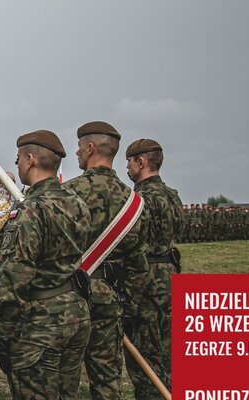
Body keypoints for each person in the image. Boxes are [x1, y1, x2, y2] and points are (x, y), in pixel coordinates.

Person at [0, 130, 92, 398]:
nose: (19, 165)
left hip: (40, 325)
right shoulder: (77, 202)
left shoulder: (31, 210)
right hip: (75, 315)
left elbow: (14, 277)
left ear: (30, 159)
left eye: (18, 160)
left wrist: (2, 331)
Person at [62, 121, 149, 400]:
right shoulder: (134, 201)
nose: (76, 153)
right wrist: (127, 306)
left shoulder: (67, 193)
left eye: (78, 147)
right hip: (110, 299)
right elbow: (138, 265)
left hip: (69, 298)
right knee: (107, 380)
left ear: (90, 148)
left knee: (65, 379)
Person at [125, 138, 185, 397]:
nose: (127, 167)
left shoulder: (141, 199)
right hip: (170, 277)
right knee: (168, 350)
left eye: (129, 161)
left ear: (141, 161)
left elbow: (132, 244)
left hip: (146, 282)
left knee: (146, 359)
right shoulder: (173, 195)